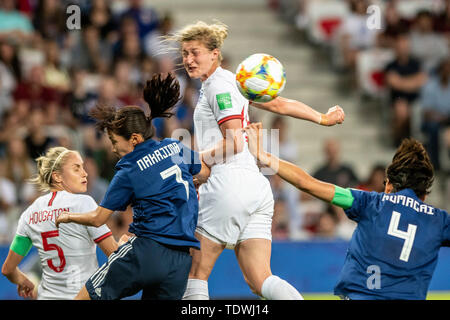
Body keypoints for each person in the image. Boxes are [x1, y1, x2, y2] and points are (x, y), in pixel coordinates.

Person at [170, 20, 345, 300]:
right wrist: (321, 118)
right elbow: (278, 102)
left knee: (195, 273)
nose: (188, 60)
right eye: (185, 53)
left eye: (195, 52)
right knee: (260, 280)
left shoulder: (219, 87)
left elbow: (235, 142)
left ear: (215, 53)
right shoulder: (235, 82)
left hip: (228, 184)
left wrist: (193, 161)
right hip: (255, 188)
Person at [244, 122, 449, 300]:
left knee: (261, 281)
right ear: (424, 195)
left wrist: (264, 156)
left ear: (389, 186)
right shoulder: (440, 221)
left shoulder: (369, 202)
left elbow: (307, 183)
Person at [56, 73, 210, 300]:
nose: (113, 149)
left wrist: (68, 216)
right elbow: (205, 172)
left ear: (135, 139)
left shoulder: (129, 168)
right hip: (179, 262)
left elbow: (99, 218)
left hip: (146, 251)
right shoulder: (173, 147)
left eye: (115, 142)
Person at [1, 146, 120, 300]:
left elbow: (8, 269)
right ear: (57, 177)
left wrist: (24, 281)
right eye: (76, 168)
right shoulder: (83, 204)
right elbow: (115, 255)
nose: (85, 173)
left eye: (83, 167)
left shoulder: (29, 214)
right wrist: (123, 246)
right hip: (81, 295)